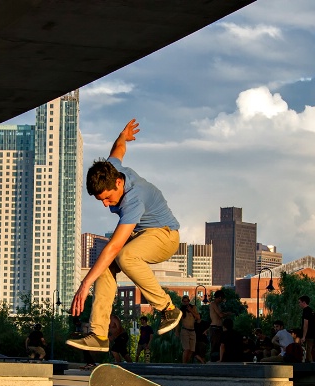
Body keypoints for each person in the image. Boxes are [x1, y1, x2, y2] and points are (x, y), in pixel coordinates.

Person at [68, 119, 182, 352]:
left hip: (165, 237)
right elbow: (117, 150)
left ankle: (168, 309)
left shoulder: (133, 199)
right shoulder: (110, 170)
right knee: (105, 267)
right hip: (143, 234)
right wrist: (123, 136)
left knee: (123, 256)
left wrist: (84, 285)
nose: (106, 205)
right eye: (101, 201)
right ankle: (98, 335)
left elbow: (114, 246)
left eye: (108, 198)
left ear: (119, 183)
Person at [178, 295, 201, 364]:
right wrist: (177, 331)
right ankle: (184, 364)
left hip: (192, 330)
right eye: (184, 302)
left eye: (187, 301)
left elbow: (198, 317)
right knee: (186, 349)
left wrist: (191, 311)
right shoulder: (181, 310)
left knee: (191, 350)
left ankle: (186, 363)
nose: (185, 303)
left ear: (189, 301)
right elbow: (178, 321)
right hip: (185, 330)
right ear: (182, 302)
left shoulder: (193, 308)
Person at [209, 290, 231, 360]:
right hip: (215, 328)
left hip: (219, 327)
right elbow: (220, 315)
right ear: (219, 297)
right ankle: (213, 359)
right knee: (215, 346)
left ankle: (219, 359)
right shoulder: (213, 304)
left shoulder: (218, 305)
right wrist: (227, 313)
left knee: (219, 345)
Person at [298, 295, 315, 362]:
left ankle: (310, 364)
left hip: (309, 334)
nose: (299, 304)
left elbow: (305, 324)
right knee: (309, 349)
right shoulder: (311, 310)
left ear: (304, 302)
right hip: (312, 332)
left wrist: (304, 336)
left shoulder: (306, 310)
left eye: (299, 302)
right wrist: (313, 324)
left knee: (308, 350)